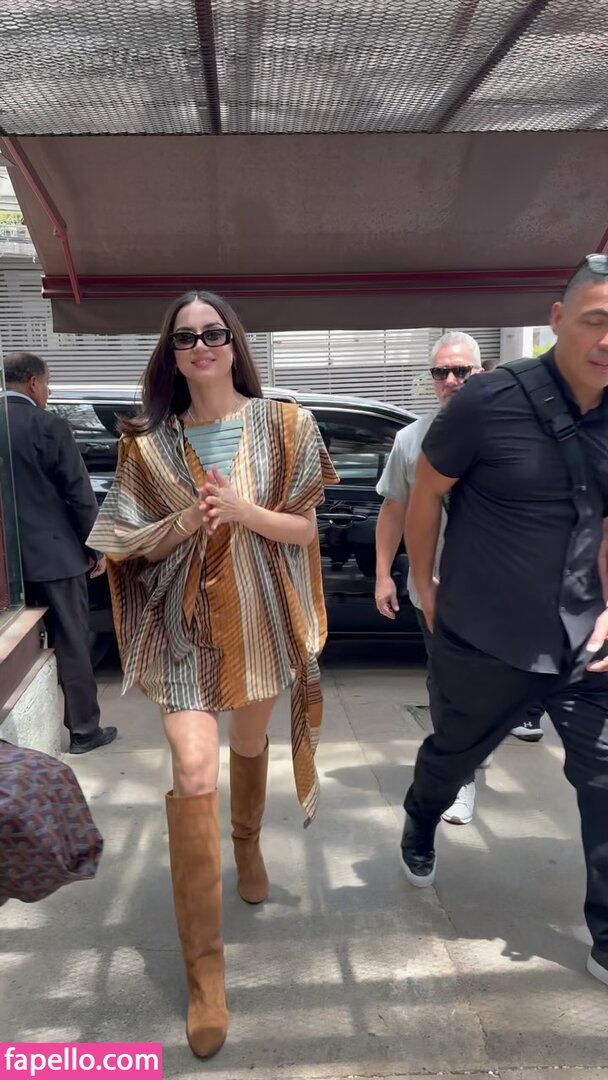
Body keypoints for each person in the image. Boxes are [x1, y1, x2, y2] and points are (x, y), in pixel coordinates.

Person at [88, 290, 338, 1059]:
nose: (201, 345)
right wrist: (185, 521)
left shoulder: (286, 424)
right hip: (180, 628)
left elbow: (305, 529)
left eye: (214, 333)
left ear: (235, 344)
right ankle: (206, 979)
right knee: (193, 771)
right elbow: (127, 543)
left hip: (258, 621)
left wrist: (241, 511)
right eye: (185, 336)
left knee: (249, 745)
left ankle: (247, 840)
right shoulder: (147, 446)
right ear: (170, 353)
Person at [400, 254, 608, 989]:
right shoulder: (487, 401)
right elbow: (426, 493)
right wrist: (422, 584)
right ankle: (421, 818)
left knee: (606, 778)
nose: (607, 340)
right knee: (452, 759)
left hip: (582, 643)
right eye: (596, 320)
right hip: (484, 639)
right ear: (558, 319)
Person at [375, 333, 543, 824]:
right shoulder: (411, 440)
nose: (450, 380)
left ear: (480, 372)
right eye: (440, 372)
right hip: (437, 592)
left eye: (461, 371)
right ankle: (460, 780)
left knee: (497, 687)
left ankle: (475, 742)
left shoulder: (517, 433)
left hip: (505, 592)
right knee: (448, 688)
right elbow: (394, 509)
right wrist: (384, 574)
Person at [4, 351, 117, 755]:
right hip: (57, 558)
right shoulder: (49, 426)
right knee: (71, 642)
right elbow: (79, 493)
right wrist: (97, 547)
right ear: (33, 382)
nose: (48, 392)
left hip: (7, 568)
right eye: (48, 384)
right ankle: (84, 730)